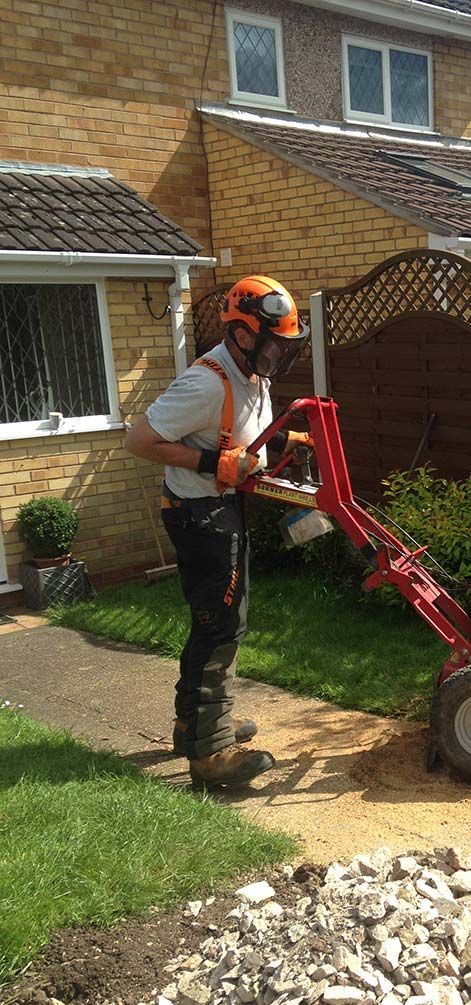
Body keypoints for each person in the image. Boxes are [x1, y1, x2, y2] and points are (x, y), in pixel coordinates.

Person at [126, 275, 311, 787]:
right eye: (274, 344)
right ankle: (210, 757)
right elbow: (140, 441)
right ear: (243, 334)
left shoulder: (253, 374)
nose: (280, 355)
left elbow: (243, 442)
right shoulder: (207, 381)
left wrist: (285, 441)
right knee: (220, 627)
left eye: (286, 346)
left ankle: (194, 727)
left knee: (215, 622)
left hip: (221, 509)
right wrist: (214, 462)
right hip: (199, 514)